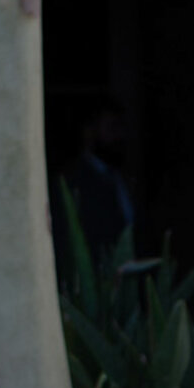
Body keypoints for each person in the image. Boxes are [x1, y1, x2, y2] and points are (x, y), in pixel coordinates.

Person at [55, 94, 136, 264]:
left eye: (122, 128)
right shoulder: (73, 182)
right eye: (112, 128)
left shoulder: (122, 177)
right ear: (89, 132)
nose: (119, 137)